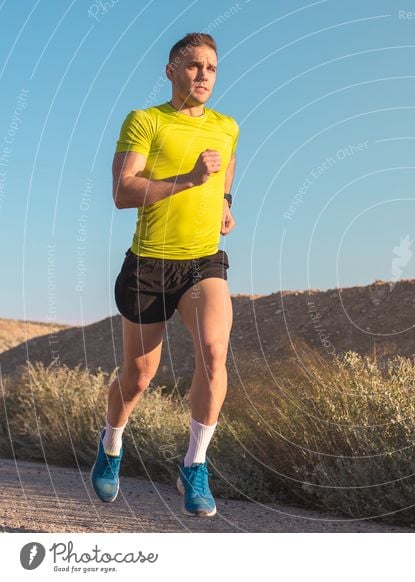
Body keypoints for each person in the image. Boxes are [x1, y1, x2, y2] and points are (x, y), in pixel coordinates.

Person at [90, 32, 239, 517]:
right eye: (193, 66)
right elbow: (122, 191)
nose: (203, 76)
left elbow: (227, 164)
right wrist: (191, 181)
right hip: (150, 264)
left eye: (211, 68)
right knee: (137, 378)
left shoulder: (226, 126)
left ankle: (194, 464)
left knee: (215, 351)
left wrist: (224, 200)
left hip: (202, 262)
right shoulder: (146, 121)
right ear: (171, 70)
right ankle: (112, 444)